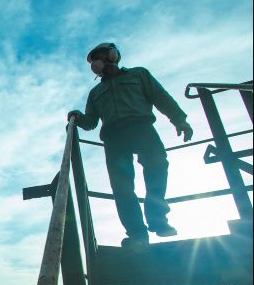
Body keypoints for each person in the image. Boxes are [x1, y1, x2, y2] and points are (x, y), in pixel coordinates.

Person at [68, 42, 193, 248]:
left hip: (142, 128)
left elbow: (161, 98)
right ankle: (137, 235)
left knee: (158, 167)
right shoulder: (95, 92)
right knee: (122, 187)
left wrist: (179, 120)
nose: (96, 63)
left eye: (99, 57)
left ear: (112, 55)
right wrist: (77, 117)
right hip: (114, 138)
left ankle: (157, 220)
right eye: (93, 61)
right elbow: (91, 122)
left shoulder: (138, 75)